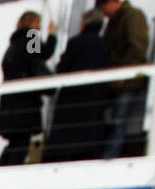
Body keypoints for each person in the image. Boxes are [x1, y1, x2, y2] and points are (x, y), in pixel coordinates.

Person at [44, 8, 110, 162]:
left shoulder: (29, 37)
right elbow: (39, 53)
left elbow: (40, 54)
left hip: (71, 98)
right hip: (94, 99)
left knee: (17, 146)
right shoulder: (104, 45)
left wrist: (48, 34)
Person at [0, 11, 58, 166]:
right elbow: (43, 55)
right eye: (38, 23)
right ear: (31, 23)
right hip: (24, 105)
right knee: (21, 143)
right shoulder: (30, 36)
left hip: (9, 104)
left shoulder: (13, 45)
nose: (40, 27)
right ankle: (7, 173)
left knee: (15, 143)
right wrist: (52, 36)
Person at [97, 0, 150, 159]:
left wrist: (124, 72)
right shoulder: (33, 36)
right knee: (114, 119)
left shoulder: (131, 17)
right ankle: (107, 154)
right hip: (115, 79)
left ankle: (109, 155)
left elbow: (39, 53)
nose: (104, 14)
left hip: (124, 79)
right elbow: (38, 53)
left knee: (117, 119)